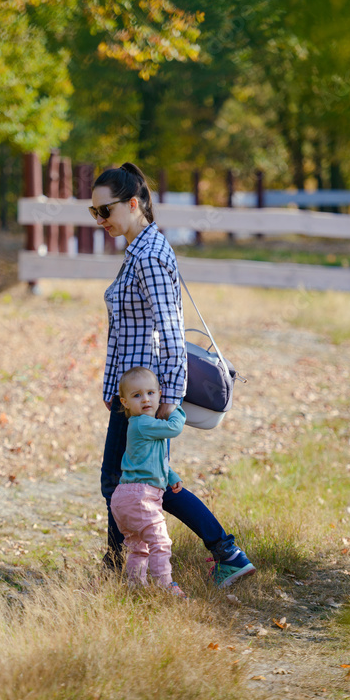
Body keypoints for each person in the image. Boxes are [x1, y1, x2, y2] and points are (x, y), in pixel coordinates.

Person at [91, 161, 256, 588]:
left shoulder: (149, 254)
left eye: (105, 211)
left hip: (146, 397)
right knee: (139, 482)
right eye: (94, 214)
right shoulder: (138, 251)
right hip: (132, 395)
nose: (100, 221)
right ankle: (134, 566)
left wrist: (168, 400)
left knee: (132, 483)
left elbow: (170, 329)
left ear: (132, 203)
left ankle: (128, 568)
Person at [111, 366, 187, 597]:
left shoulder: (144, 427)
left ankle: (135, 587)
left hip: (126, 496)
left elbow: (153, 460)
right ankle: (165, 586)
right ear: (125, 402)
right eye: (137, 395)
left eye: (151, 393)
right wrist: (178, 409)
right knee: (160, 542)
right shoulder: (142, 423)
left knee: (138, 547)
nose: (145, 399)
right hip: (140, 496)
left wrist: (171, 477)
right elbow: (174, 428)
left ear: (158, 394)